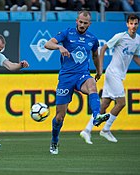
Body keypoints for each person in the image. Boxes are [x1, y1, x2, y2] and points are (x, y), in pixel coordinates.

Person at [44, 10, 110, 155]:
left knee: (92, 84)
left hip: (82, 75)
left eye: (85, 23)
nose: (82, 25)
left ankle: (96, 116)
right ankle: (54, 140)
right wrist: (59, 46)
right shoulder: (67, 33)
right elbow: (47, 44)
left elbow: (95, 55)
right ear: (76, 21)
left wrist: (99, 71)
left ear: (89, 24)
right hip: (66, 77)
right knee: (60, 117)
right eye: (80, 22)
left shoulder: (93, 39)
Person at [80, 14, 140, 144]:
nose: (133, 26)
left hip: (119, 75)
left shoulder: (138, 40)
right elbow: (103, 49)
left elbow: (135, 57)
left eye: (135, 24)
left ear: (138, 24)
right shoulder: (120, 37)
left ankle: (87, 130)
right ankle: (106, 129)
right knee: (121, 103)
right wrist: (100, 68)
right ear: (127, 24)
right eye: (131, 23)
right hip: (113, 73)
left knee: (104, 105)